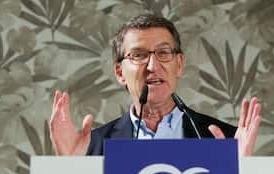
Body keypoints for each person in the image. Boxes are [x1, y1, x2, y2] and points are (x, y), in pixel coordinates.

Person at [49, 14, 261, 156]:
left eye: (163, 53)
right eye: (139, 55)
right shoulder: (92, 146)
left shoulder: (226, 141)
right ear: (119, 72)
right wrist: (71, 169)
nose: (152, 65)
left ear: (179, 64)